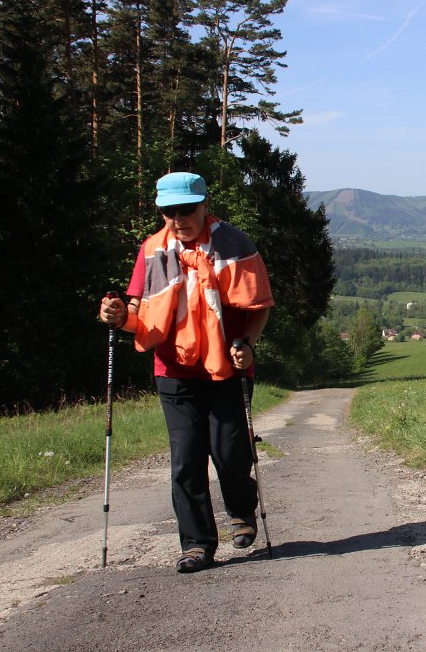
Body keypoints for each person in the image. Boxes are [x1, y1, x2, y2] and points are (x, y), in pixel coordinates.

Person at [99, 171, 274, 573]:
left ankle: (241, 509)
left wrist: (247, 344)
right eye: (169, 211)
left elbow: (258, 306)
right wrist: (114, 316)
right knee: (186, 459)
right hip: (173, 369)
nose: (178, 218)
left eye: (186, 209)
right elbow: (138, 313)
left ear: (204, 205)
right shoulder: (152, 250)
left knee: (229, 452)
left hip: (227, 365)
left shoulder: (234, 244)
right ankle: (196, 544)